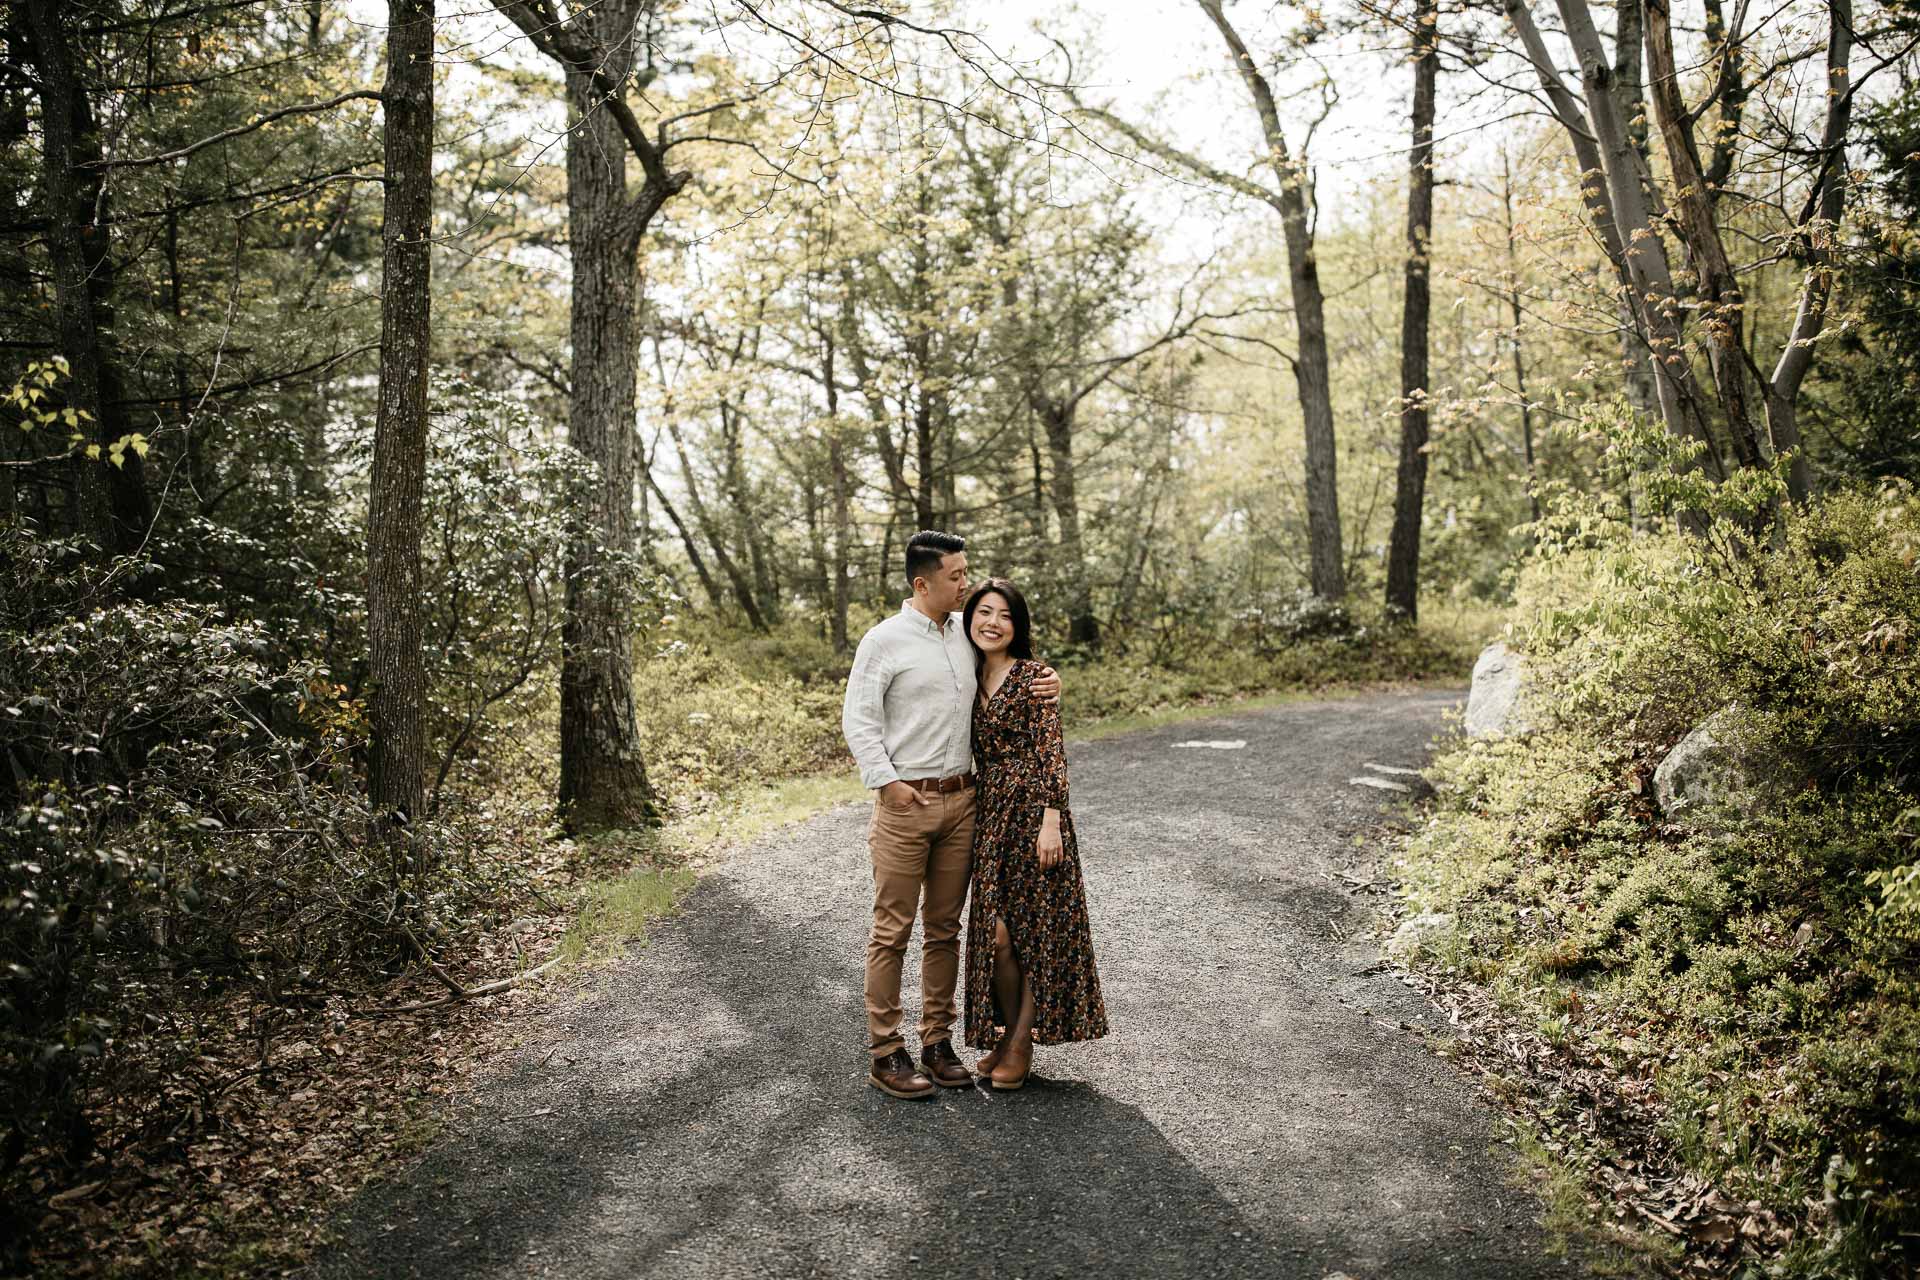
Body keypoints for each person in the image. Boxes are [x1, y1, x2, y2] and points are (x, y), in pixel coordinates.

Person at [841, 532, 1060, 1099]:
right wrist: (888, 786)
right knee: (892, 930)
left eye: (966, 573)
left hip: (965, 803)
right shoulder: (883, 641)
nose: (966, 583)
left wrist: (1050, 680)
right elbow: (859, 721)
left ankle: (936, 1041)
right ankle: (886, 1051)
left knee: (946, 930)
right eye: (957, 576)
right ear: (924, 583)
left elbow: (1013, 671)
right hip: (905, 804)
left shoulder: (966, 636)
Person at [961, 578, 1108, 1091]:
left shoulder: (1032, 678)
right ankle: (1006, 1037)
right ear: (970, 618)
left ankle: (1020, 1042)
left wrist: (1052, 820)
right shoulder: (966, 672)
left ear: (1017, 625)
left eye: (1003, 614)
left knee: (1036, 933)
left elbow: (1052, 750)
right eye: (983, 611)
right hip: (991, 818)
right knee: (999, 935)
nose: (992, 622)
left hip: (1035, 816)